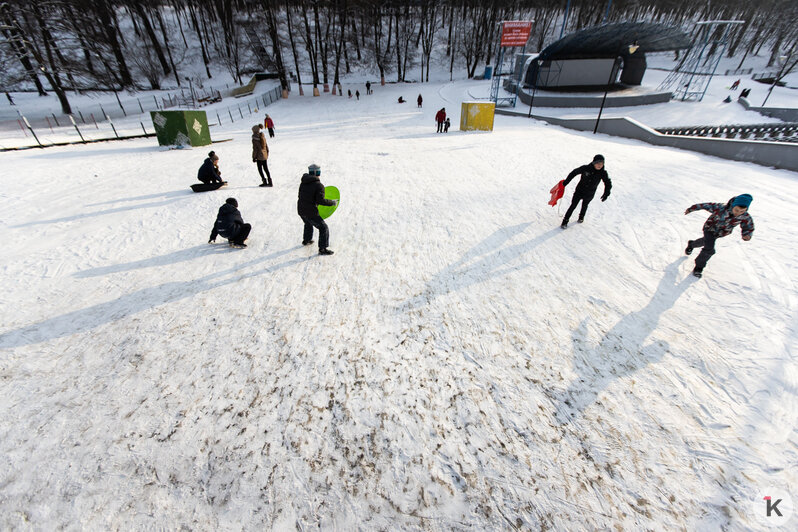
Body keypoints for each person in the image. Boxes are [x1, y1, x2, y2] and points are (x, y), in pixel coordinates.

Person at [684, 194, 754, 278]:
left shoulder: (745, 216)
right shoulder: (721, 208)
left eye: (742, 211)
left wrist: (746, 235)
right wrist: (691, 209)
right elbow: (705, 205)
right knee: (709, 249)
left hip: (721, 233)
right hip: (709, 229)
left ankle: (692, 244)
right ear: (733, 205)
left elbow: (748, 226)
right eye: (736, 210)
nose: (738, 213)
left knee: (705, 242)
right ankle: (699, 267)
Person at [560, 154, 612, 228]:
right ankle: (565, 221)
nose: (599, 165)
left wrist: (606, 193)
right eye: (598, 163)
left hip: (590, 193)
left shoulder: (603, 173)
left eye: (601, 163)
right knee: (573, 205)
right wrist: (566, 182)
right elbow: (574, 172)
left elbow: (608, 183)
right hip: (579, 191)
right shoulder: (586, 168)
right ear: (594, 162)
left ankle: (581, 217)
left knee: (585, 205)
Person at [297, 164, 338, 256]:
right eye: (318, 172)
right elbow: (321, 200)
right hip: (310, 212)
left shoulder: (303, 182)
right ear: (316, 173)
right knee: (323, 228)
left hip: (301, 210)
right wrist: (332, 202)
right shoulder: (318, 185)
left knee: (307, 222)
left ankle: (306, 240)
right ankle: (322, 248)